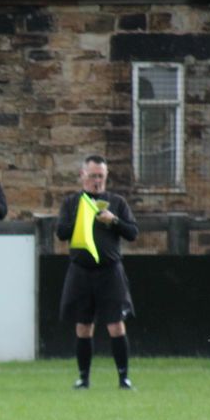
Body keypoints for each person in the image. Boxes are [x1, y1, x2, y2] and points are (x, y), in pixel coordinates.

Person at [55, 154, 139, 390]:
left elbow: (133, 233)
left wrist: (113, 221)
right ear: (82, 175)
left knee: (116, 325)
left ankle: (124, 378)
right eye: (93, 176)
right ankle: (84, 378)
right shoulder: (71, 203)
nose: (97, 181)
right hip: (81, 271)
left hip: (110, 271)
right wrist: (84, 218)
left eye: (101, 176)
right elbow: (61, 232)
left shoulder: (117, 202)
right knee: (83, 326)